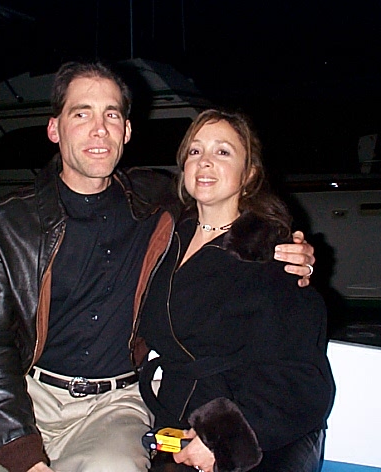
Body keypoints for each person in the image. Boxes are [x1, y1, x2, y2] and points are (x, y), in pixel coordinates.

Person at [0, 63, 315, 472]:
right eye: (82, 114)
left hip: (114, 404)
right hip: (22, 391)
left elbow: (225, 209)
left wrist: (286, 245)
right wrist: (24, 457)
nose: (99, 129)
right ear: (54, 129)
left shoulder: (156, 203)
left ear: (127, 131)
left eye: (111, 115)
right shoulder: (1, 225)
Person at [137, 109, 335, 472]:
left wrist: (222, 441)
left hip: (249, 430)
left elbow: (301, 376)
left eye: (223, 151)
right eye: (195, 151)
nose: (205, 161)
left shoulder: (273, 255)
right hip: (175, 419)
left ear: (250, 173)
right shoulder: (166, 235)